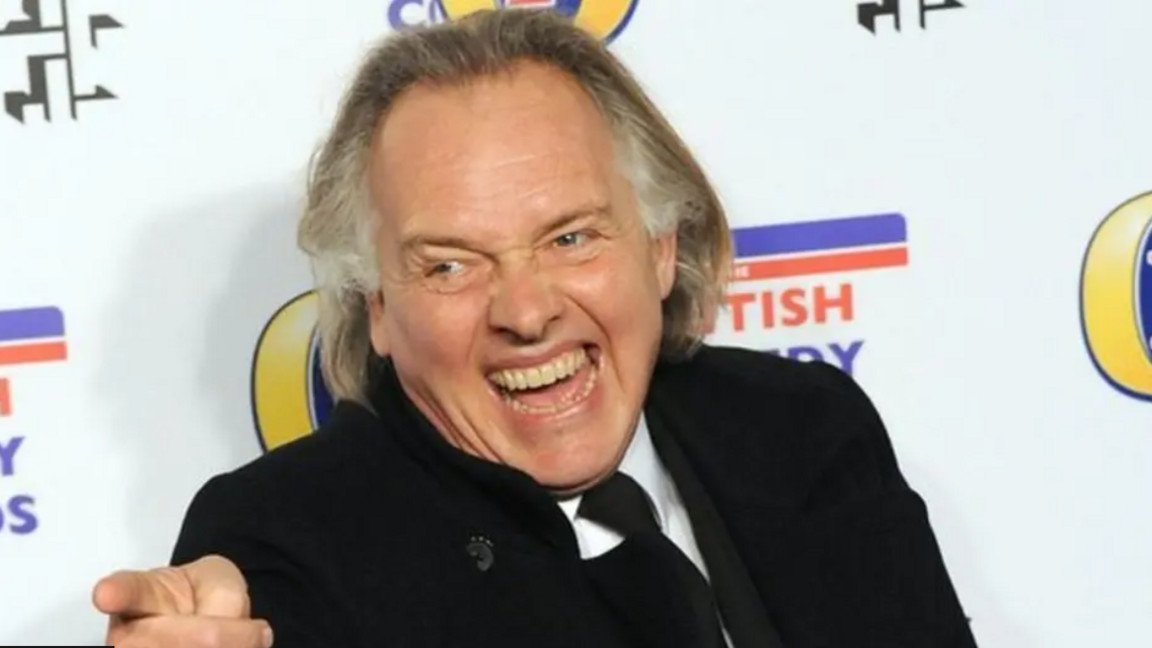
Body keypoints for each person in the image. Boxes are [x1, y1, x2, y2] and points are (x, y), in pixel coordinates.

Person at [92, 9, 976, 648]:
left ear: (661, 249)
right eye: (449, 264)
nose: (525, 311)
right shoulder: (290, 545)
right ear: (379, 311)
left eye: (571, 237)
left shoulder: (803, 427)